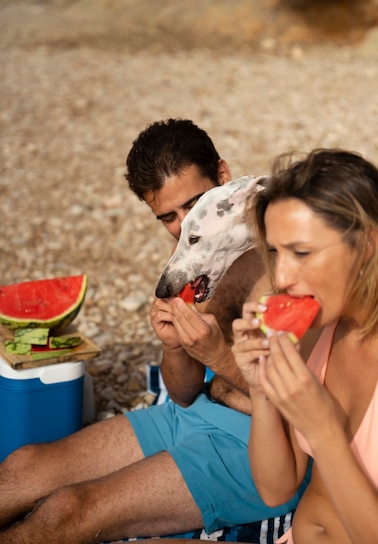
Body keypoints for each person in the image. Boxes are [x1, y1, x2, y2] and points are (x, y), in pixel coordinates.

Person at [0, 119, 303, 544]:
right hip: (191, 411)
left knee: (67, 511)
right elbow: (181, 391)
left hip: (262, 444)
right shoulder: (193, 254)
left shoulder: (289, 258)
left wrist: (218, 355)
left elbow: (307, 405)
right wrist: (174, 347)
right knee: (22, 468)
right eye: (167, 217)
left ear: (223, 176)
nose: (183, 226)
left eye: (195, 204)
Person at [232, 148, 378, 544]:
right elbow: (276, 490)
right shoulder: (321, 323)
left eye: (301, 253)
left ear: (368, 245)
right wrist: (261, 388)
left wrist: (323, 428)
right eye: (275, 253)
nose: (281, 276)